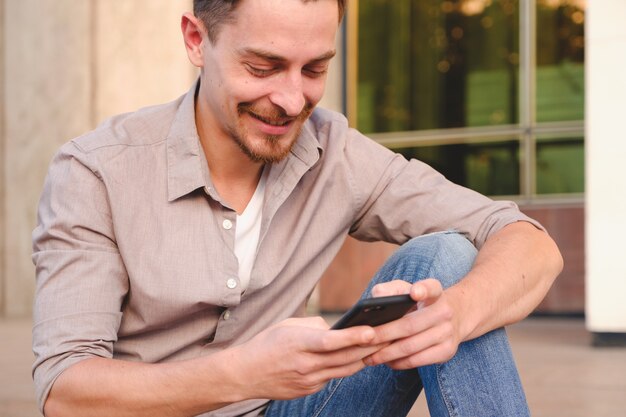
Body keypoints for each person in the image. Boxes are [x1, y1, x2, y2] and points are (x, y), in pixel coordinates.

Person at [31, 0, 563, 416]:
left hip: (300, 409)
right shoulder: (96, 171)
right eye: (264, 67)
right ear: (197, 39)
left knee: (447, 259)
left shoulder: (335, 152)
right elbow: (66, 392)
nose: (291, 100)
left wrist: (457, 314)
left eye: (314, 69)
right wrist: (245, 373)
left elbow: (527, 241)